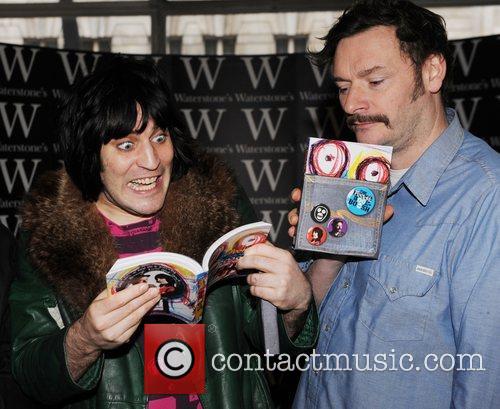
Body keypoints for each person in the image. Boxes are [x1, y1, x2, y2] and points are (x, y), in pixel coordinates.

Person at [9, 57, 317, 409]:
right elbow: (28, 373)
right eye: (126, 144)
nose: (152, 161)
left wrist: (294, 306)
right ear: (89, 154)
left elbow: (271, 350)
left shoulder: (219, 208)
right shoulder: (51, 237)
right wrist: (85, 339)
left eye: (159, 137)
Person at [288, 1, 500, 408]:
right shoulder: (346, 173)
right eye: (344, 86)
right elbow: (305, 333)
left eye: (375, 81)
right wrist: (326, 256)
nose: (351, 105)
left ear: (432, 71)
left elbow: (484, 390)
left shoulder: (485, 200)